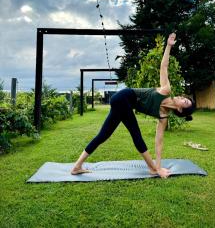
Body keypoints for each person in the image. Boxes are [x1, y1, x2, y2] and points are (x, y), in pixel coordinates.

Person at [71, 33, 195, 178]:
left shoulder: (163, 117)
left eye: (185, 101)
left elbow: (159, 142)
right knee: (136, 136)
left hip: (122, 103)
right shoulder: (166, 90)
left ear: (180, 109)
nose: (182, 97)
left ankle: (77, 167)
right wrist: (168, 46)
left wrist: (160, 165)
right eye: (185, 98)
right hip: (124, 97)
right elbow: (164, 66)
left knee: (104, 135)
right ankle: (152, 169)